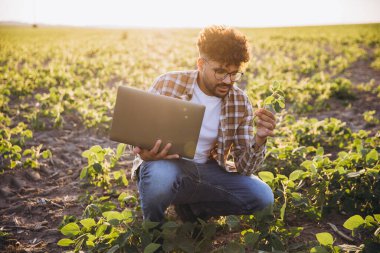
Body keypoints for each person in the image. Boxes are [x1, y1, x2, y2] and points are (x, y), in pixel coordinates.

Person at [132, 25, 276, 223]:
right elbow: (139, 132)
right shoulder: (168, 83)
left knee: (263, 197)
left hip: (208, 171)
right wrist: (143, 151)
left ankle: (194, 209)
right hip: (167, 166)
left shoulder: (240, 102)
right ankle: (154, 229)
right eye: (220, 72)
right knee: (159, 175)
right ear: (200, 64)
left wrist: (259, 140)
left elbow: (244, 168)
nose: (228, 80)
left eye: (234, 74)